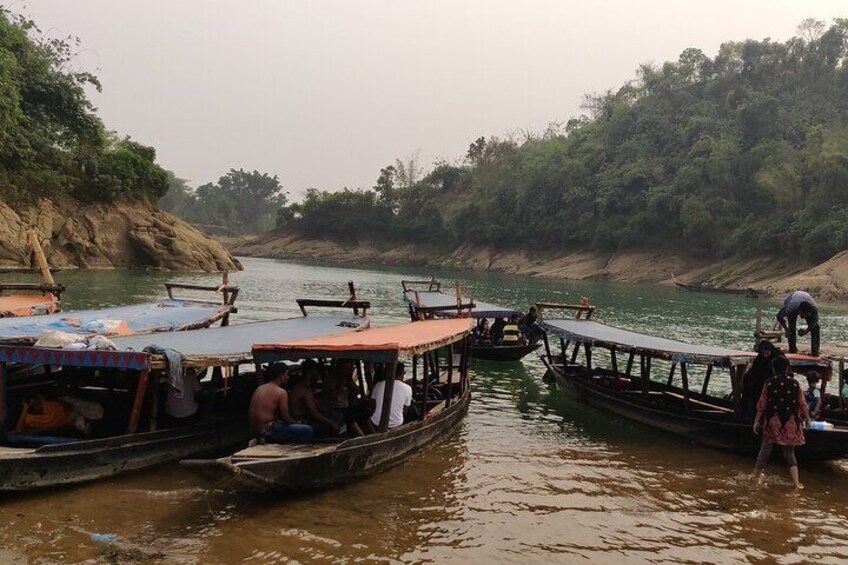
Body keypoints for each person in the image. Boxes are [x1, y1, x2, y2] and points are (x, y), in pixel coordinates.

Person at [753, 356, 809, 490]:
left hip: (773, 421)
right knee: (789, 453)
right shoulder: (795, 383)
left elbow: (762, 404)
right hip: (790, 423)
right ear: (787, 368)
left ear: (774, 369)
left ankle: (755, 478)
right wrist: (807, 418)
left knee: (765, 450)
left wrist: (756, 420)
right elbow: (802, 403)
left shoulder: (769, 383)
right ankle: (796, 483)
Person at [248, 364, 314, 444]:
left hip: (258, 430)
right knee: (307, 429)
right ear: (281, 376)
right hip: (269, 430)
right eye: (286, 375)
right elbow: (285, 416)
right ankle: (300, 449)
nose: (288, 378)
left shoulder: (260, 388)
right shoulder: (281, 392)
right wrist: (296, 423)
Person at [290, 360, 339, 437]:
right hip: (302, 420)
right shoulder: (304, 390)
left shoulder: (302, 387)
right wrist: (331, 422)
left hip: (302, 418)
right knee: (329, 426)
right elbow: (314, 413)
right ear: (312, 372)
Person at [741, 341, 781, 421]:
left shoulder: (778, 359)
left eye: (767, 353)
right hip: (758, 387)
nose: (765, 355)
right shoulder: (759, 359)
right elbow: (752, 373)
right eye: (763, 353)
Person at [370, 361, 413, 430]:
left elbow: (372, 405)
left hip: (376, 422)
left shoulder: (378, 384)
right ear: (402, 373)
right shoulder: (408, 388)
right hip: (397, 423)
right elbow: (405, 410)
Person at [776, 291, 820, 356]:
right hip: (792, 299)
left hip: (805, 299)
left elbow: (815, 320)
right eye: (802, 314)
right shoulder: (791, 308)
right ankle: (792, 349)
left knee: (816, 328)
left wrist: (807, 330)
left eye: (805, 315)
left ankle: (815, 351)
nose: (803, 318)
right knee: (791, 328)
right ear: (799, 311)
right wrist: (786, 329)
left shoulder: (813, 308)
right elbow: (779, 316)